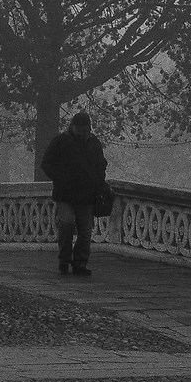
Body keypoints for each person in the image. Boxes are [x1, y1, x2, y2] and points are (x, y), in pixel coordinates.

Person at [39, 110, 108, 277]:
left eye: (86, 129)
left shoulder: (94, 143)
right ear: (73, 127)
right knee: (67, 224)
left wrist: (98, 182)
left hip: (87, 195)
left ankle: (80, 263)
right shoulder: (61, 141)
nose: (84, 132)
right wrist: (60, 177)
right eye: (81, 128)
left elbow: (101, 164)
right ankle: (64, 259)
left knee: (85, 231)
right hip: (65, 193)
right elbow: (47, 163)